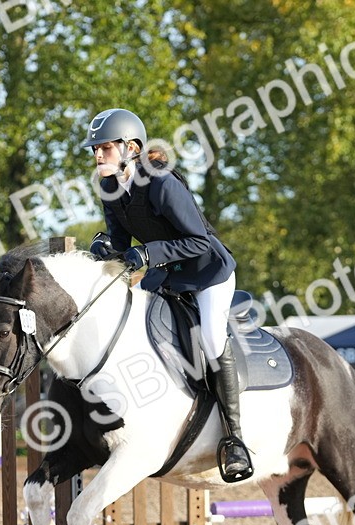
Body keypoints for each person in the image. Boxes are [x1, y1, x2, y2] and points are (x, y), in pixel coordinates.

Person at [82, 108, 252, 483]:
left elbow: (197, 241)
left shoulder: (160, 183)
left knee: (209, 337)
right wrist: (104, 247)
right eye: (95, 149)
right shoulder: (110, 186)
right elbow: (122, 243)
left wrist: (149, 254)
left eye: (105, 148)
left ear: (131, 147)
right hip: (168, 274)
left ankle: (235, 439)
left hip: (208, 272)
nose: (97, 156)